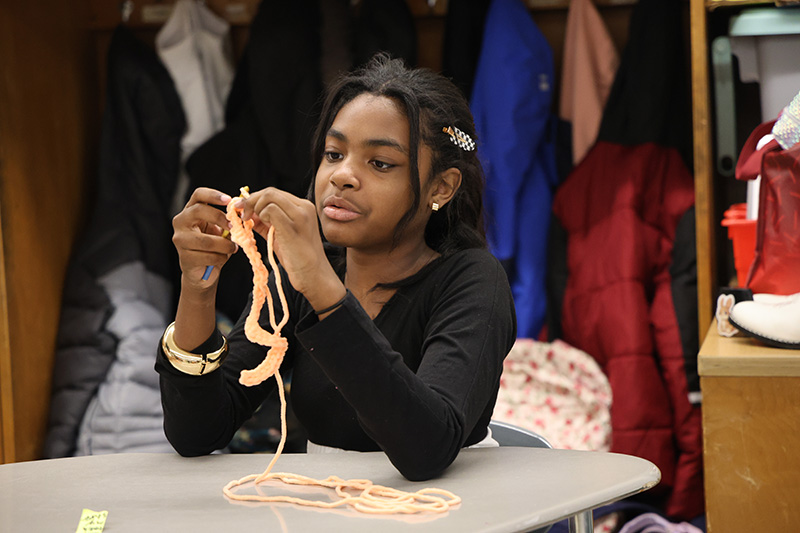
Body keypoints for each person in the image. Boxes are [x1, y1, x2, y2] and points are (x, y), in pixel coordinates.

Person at [156, 54, 516, 482]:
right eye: (333, 153)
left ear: (441, 187)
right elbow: (197, 433)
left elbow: (428, 448)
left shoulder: (473, 281)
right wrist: (197, 286)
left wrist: (323, 288)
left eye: (380, 163)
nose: (342, 175)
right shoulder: (296, 274)